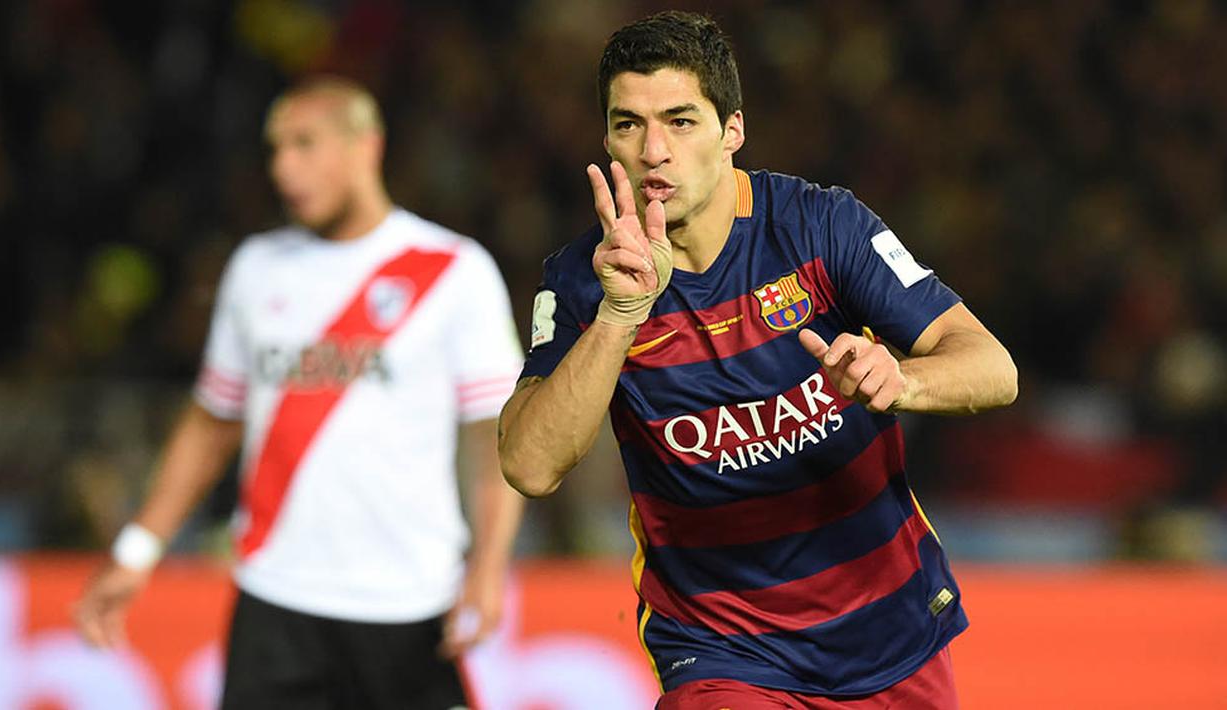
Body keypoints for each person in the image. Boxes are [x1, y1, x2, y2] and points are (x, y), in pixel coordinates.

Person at [498, 11, 1017, 709]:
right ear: (608, 141)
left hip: (888, 628)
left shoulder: (820, 226)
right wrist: (619, 317)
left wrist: (903, 380)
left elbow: (993, 368)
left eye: (680, 121)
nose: (653, 150)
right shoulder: (584, 281)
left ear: (731, 131)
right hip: (721, 650)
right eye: (629, 124)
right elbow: (529, 465)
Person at [74, 76, 525, 709]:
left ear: (366, 146)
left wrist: (490, 563)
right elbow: (212, 423)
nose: (284, 167)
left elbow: (494, 436)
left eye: (305, 144)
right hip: (275, 601)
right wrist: (137, 549)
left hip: (410, 601)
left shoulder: (452, 269)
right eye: (275, 149)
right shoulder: (255, 269)